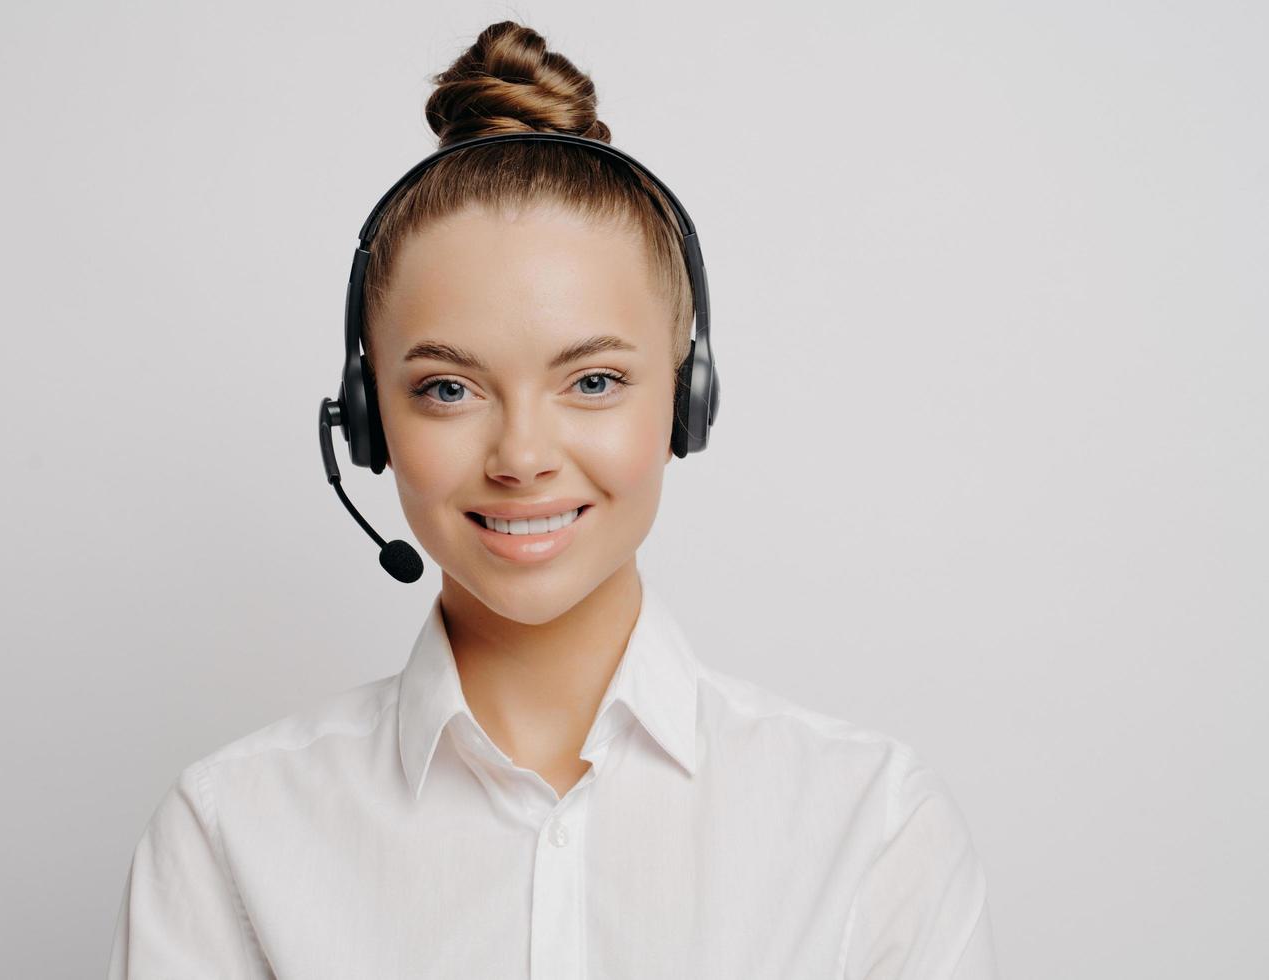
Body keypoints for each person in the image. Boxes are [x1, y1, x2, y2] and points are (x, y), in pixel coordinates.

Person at [107, 20, 1000, 979]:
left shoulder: (871, 829)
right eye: (448, 388)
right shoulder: (227, 836)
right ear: (367, 421)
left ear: (685, 400)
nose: (522, 458)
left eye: (594, 382)